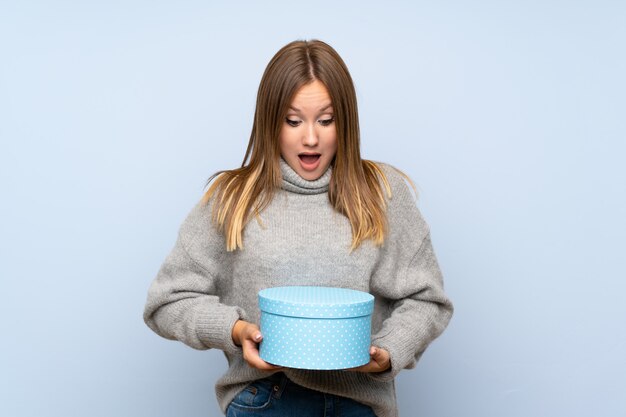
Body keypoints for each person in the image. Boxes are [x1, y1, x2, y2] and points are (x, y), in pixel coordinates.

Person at [143, 39, 454, 417]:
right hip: (267, 399)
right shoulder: (233, 198)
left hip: (360, 401)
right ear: (270, 121)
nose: (311, 137)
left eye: (326, 120)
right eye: (293, 121)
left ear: (347, 121)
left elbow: (427, 299)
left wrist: (387, 352)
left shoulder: (382, 193)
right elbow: (167, 301)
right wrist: (236, 330)